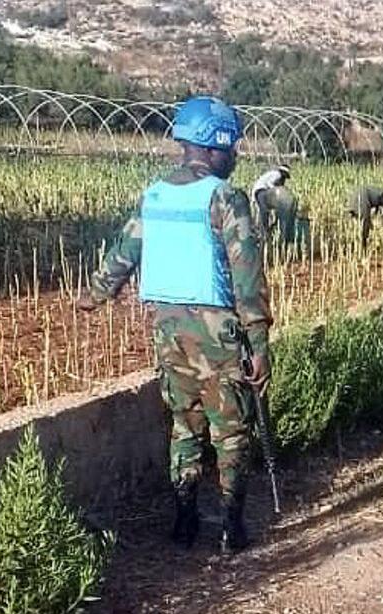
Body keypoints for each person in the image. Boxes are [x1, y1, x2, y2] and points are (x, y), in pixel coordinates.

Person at [79, 96, 272, 554]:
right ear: (213, 145)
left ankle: (184, 522)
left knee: (185, 426)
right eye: (232, 146)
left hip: (167, 329)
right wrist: (260, 343)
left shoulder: (155, 195)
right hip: (217, 333)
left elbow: (122, 254)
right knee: (231, 430)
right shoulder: (226, 198)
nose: (236, 154)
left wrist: (94, 295)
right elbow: (247, 277)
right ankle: (231, 528)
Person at [252, 164, 298, 244]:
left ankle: (268, 229)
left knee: (267, 213)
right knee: (264, 211)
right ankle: (264, 232)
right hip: (260, 191)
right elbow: (269, 184)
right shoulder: (277, 174)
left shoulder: (279, 177)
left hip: (262, 191)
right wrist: (276, 189)